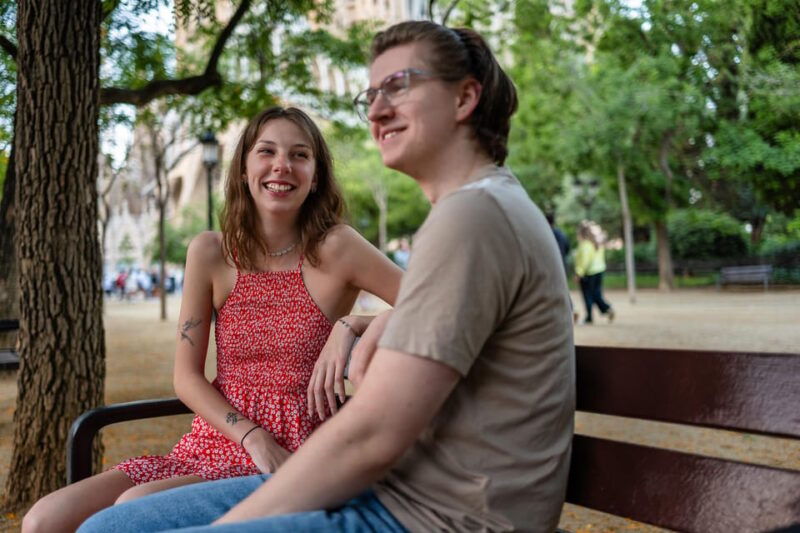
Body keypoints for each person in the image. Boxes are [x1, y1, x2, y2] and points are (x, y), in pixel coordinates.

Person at [77, 20, 575, 533]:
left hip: (432, 513)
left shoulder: (471, 218)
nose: (379, 110)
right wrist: (360, 324)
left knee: (113, 529)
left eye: (400, 86)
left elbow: (369, 436)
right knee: (107, 525)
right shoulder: (471, 211)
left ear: (465, 98)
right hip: (395, 489)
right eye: (372, 94)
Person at [22, 106, 402, 533]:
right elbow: (186, 377)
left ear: (316, 176)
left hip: (297, 446)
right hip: (216, 438)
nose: (282, 165)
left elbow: (432, 304)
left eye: (300, 155)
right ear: (243, 168)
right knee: (42, 520)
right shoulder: (210, 253)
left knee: (134, 507)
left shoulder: (338, 247)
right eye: (267, 151)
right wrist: (251, 436)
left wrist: (351, 325)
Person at [574, 220, 614, 324]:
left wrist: (579, 273)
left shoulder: (585, 245)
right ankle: (606, 309)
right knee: (596, 293)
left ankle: (589, 317)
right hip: (599, 271)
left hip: (589, 273)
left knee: (587, 295)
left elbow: (584, 261)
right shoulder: (596, 243)